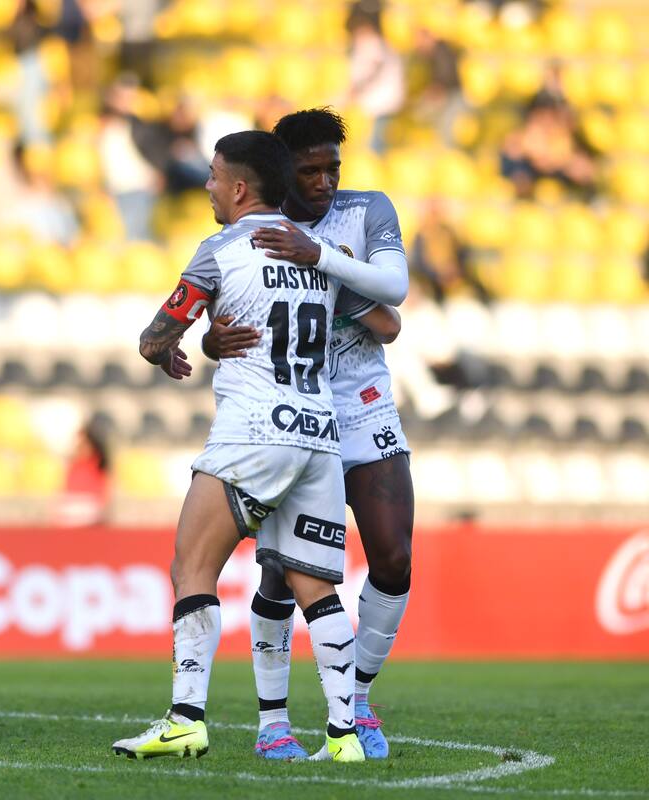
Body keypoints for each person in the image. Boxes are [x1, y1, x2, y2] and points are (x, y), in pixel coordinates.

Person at [112, 130, 406, 764]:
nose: (209, 186)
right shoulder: (316, 251)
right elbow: (387, 322)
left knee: (192, 567)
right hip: (319, 436)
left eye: (215, 176)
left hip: (251, 433)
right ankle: (344, 736)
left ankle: (186, 719)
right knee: (317, 590)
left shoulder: (220, 251)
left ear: (240, 187)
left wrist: (178, 348)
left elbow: (154, 337)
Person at [203, 108, 413, 761]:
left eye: (332, 169)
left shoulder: (367, 210)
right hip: (291, 412)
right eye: (309, 170)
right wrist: (210, 341)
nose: (323, 182)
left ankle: (358, 702)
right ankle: (273, 724)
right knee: (278, 577)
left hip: (364, 404)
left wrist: (321, 260)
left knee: (394, 558)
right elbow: (223, 320)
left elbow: (394, 306)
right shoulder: (256, 232)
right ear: (279, 171)